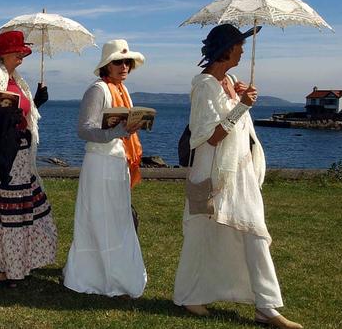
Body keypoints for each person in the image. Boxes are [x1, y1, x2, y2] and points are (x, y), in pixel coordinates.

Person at [173, 24, 303, 329]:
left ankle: (266, 306)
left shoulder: (230, 81)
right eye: (240, 45)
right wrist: (242, 107)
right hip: (211, 172)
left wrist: (240, 98)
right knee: (201, 234)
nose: (243, 50)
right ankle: (191, 296)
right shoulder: (205, 85)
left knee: (253, 232)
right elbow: (210, 137)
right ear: (227, 48)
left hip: (239, 172)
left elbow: (237, 129)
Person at [0, 30, 56, 288]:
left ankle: (10, 265)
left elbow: (26, 113)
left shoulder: (17, 79)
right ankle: (1, 267)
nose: (21, 57)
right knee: (5, 212)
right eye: (17, 52)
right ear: (3, 54)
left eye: (22, 53)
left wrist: (36, 101)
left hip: (21, 154)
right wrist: (4, 117)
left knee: (17, 211)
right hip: (3, 156)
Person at [62, 39, 148, 298]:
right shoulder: (98, 90)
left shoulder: (123, 90)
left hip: (117, 160)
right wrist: (120, 130)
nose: (124, 66)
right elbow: (84, 130)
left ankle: (117, 272)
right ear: (107, 65)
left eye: (127, 62)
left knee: (117, 218)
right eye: (118, 62)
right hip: (100, 163)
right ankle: (97, 275)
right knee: (100, 218)